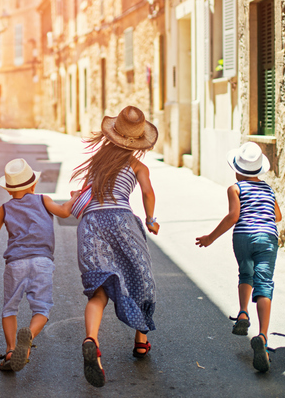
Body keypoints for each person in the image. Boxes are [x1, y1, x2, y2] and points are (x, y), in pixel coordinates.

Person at [71, 106, 160, 388]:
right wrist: (150, 219)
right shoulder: (138, 166)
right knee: (142, 278)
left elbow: (85, 193)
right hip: (121, 220)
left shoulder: (97, 161)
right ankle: (141, 341)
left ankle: (91, 341)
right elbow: (147, 192)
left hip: (91, 223)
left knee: (99, 290)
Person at [195, 141, 282, 373]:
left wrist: (211, 237)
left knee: (246, 273)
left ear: (237, 169)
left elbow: (234, 216)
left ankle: (243, 312)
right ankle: (262, 337)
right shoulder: (269, 189)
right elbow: (278, 216)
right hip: (267, 238)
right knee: (265, 284)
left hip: (243, 236)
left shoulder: (235, 188)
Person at [0, 158, 77, 372]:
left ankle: (11, 349)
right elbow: (63, 212)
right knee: (42, 308)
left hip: (15, 263)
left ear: (8, 190)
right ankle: (29, 337)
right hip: (42, 261)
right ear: (33, 185)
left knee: (9, 308)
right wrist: (74, 198)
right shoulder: (43, 199)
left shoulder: (4, 208)